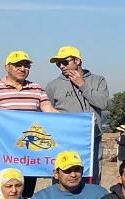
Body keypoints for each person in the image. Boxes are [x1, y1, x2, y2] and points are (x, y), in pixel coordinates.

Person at [0, 50, 57, 199]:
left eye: (26, 66)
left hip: (28, 154)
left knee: (26, 192)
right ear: (7, 67)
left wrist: (81, 120)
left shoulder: (37, 88)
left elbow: (49, 111)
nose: (23, 69)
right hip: (1, 153)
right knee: (2, 192)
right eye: (18, 65)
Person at [45, 46, 110, 183]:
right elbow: (48, 113)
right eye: (58, 63)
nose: (61, 66)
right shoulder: (53, 85)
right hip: (64, 140)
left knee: (91, 177)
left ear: (78, 61)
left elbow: (103, 104)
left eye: (65, 62)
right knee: (63, 178)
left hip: (92, 139)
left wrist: (82, 84)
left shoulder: (98, 80)